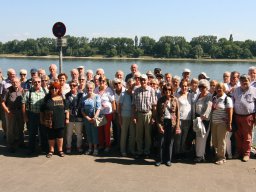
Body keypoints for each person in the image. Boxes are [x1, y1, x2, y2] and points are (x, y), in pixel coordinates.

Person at [40, 82, 69, 158]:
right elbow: (42, 110)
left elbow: (66, 109)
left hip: (60, 120)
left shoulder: (62, 97)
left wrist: (67, 118)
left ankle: (60, 150)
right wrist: (41, 119)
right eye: (52, 88)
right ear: (50, 89)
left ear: (59, 89)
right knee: (51, 136)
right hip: (49, 121)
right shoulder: (47, 98)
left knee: (60, 136)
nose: (54, 89)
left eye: (56, 88)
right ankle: (51, 150)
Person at [155, 84, 180, 166]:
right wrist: (159, 125)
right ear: (163, 91)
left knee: (170, 142)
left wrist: (177, 126)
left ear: (172, 91)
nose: (167, 91)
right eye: (166, 90)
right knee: (161, 141)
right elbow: (157, 115)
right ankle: (160, 159)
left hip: (171, 122)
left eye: (169, 90)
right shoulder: (160, 100)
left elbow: (177, 114)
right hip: (163, 122)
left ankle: (168, 159)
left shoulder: (175, 100)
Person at [232, 74, 256, 162]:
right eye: (242, 81)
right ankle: (239, 152)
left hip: (248, 117)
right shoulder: (236, 90)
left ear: (250, 81)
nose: (244, 82)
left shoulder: (254, 90)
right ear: (240, 82)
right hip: (237, 116)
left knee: (247, 137)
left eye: (246, 80)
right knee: (238, 136)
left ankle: (246, 154)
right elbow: (232, 101)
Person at [132, 74, 157, 157]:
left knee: (148, 135)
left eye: (144, 80)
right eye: (141, 80)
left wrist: (153, 117)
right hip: (139, 114)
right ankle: (139, 151)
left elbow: (154, 105)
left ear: (147, 81)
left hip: (148, 114)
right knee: (138, 135)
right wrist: (134, 116)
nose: (143, 81)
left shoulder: (151, 90)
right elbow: (134, 105)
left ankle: (147, 152)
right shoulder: (136, 90)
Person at [22, 77, 47, 155]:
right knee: (32, 133)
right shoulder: (28, 92)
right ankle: (31, 149)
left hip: (43, 115)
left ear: (41, 82)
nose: (37, 83)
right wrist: (25, 116)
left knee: (43, 132)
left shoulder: (45, 91)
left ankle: (44, 148)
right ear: (32, 83)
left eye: (39, 82)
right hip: (32, 115)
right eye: (35, 82)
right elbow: (23, 104)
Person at [211, 83, 233, 165]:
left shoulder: (227, 99)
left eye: (220, 88)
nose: (219, 89)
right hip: (214, 122)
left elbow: (230, 111)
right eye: (217, 88)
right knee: (214, 141)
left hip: (222, 123)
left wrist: (229, 123)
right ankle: (218, 155)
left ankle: (222, 158)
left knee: (221, 141)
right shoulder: (214, 98)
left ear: (223, 89)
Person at [1, 77, 24, 152]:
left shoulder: (22, 90)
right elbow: (2, 102)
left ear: (19, 82)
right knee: (10, 129)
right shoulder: (7, 90)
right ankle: (11, 145)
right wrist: (7, 111)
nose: (15, 84)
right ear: (11, 82)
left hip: (20, 112)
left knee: (21, 128)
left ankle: (21, 143)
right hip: (10, 112)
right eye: (13, 82)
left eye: (17, 82)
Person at [94, 75, 116, 152]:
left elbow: (113, 102)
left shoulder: (109, 90)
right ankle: (101, 145)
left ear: (106, 82)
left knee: (107, 130)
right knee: (100, 130)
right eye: (100, 80)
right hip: (99, 113)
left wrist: (113, 112)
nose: (102, 82)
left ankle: (107, 145)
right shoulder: (96, 89)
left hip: (108, 113)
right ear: (98, 81)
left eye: (103, 81)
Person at [193, 79, 212, 163]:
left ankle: (199, 156)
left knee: (202, 138)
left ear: (207, 87)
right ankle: (200, 154)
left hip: (204, 120)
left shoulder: (209, 96)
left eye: (203, 87)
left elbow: (208, 109)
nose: (201, 88)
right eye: (200, 86)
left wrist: (201, 118)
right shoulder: (198, 95)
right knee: (198, 138)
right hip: (197, 119)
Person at [81, 82, 101, 156]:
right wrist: (87, 118)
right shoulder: (84, 98)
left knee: (94, 133)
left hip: (94, 118)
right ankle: (90, 148)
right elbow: (82, 109)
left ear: (93, 88)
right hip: (87, 118)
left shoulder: (97, 97)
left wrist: (94, 118)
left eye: (91, 88)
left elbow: (99, 108)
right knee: (88, 133)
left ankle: (95, 148)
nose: (89, 89)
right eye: (88, 88)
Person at [65, 81, 84, 154]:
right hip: (70, 116)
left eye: (74, 85)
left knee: (79, 133)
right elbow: (66, 107)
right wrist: (67, 117)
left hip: (79, 116)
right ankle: (68, 147)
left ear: (77, 86)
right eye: (71, 85)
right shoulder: (67, 95)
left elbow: (82, 105)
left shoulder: (81, 95)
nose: (72, 87)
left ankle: (79, 146)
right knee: (69, 133)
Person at [174, 80, 192, 156]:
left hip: (188, 119)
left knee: (184, 137)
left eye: (186, 86)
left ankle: (182, 151)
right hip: (179, 119)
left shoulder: (190, 95)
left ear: (188, 86)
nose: (184, 87)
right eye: (183, 86)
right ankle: (176, 152)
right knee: (178, 137)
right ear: (180, 86)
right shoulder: (176, 95)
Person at [119, 78, 136, 156]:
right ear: (127, 84)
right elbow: (119, 107)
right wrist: (120, 118)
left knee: (132, 134)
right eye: (129, 83)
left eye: (132, 84)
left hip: (133, 117)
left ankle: (131, 149)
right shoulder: (123, 94)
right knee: (124, 134)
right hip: (124, 116)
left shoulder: (135, 93)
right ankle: (123, 150)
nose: (131, 85)